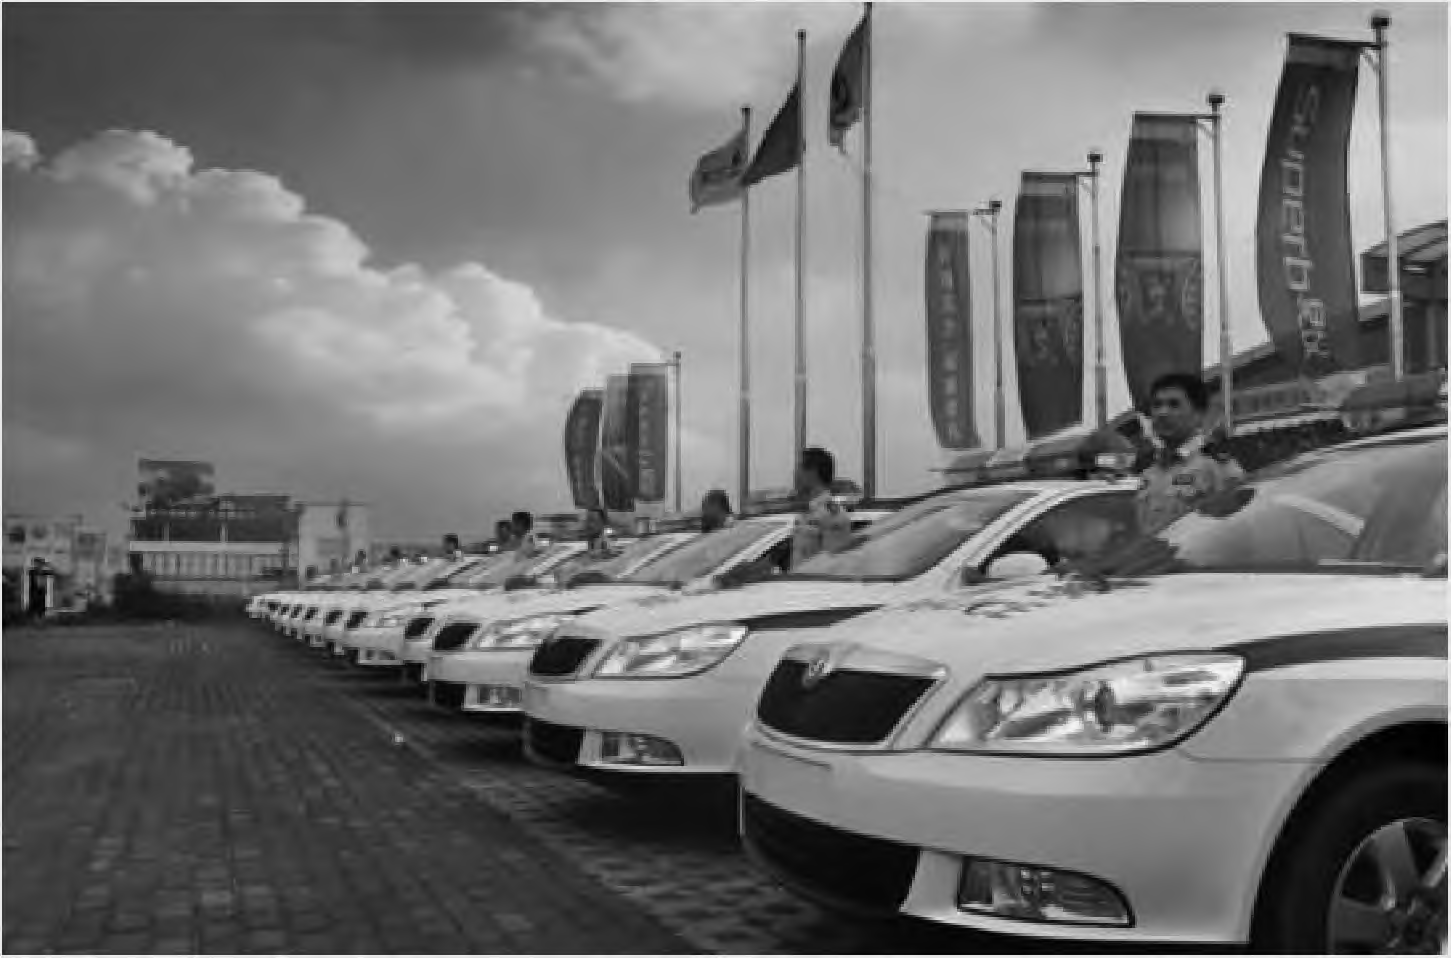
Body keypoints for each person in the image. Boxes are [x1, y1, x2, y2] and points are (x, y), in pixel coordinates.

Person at [1136, 372, 1246, 535]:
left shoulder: (1217, 466)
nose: (1162, 413)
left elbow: (1235, 529)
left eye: (1174, 405)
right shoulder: (1148, 474)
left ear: (1199, 415)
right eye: (1157, 405)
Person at [791, 446, 853, 567]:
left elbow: (834, 565)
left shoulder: (831, 515)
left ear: (812, 472)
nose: (795, 474)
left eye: (799, 468)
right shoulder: (807, 513)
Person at [26, 557, 53, 623]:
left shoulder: (44, 572)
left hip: (42, 591)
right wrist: (42, 567)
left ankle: (40, 620)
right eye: (37, 563)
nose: (39, 565)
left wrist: (47, 565)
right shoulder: (32, 571)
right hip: (34, 592)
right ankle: (34, 620)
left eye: (40, 564)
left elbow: (52, 572)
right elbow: (35, 576)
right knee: (34, 605)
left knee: (42, 606)